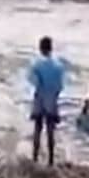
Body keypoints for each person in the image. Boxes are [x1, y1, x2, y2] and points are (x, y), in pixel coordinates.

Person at [28, 36, 65, 165]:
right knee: (50, 130)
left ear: (40, 48)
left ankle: (35, 157)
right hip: (52, 99)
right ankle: (51, 159)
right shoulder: (58, 65)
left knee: (37, 128)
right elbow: (60, 86)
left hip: (40, 98)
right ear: (51, 48)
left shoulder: (36, 64)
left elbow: (33, 81)